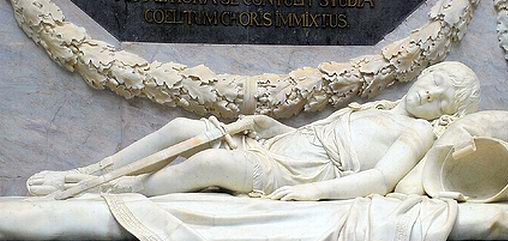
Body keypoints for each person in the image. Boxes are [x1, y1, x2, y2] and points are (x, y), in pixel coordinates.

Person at [26, 61, 480, 201]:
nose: (430, 92)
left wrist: (312, 194)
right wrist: (271, 125)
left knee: (211, 162)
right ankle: (88, 171)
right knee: (184, 127)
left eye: (442, 99)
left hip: (298, 174)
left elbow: (380, 180)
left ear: (445, 114)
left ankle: (108, 191)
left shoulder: (418, 135)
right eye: (436, 80)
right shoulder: (376, 106)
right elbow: (317, 132)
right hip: (282, 144)